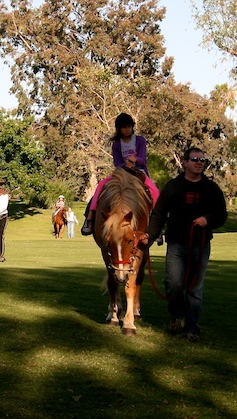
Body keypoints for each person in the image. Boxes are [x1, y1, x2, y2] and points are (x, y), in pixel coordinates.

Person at [138, 147, 227, 342]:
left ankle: (192, 328)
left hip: (200, 245)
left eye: (203, 160)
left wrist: (208, 219)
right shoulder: (173, 187)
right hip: (177, 244)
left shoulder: (211, 189)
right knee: (174, 283)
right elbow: (159, 214)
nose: (199, 162)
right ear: (185, 162)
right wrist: (149, 236)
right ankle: (176, 314)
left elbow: (222, 215)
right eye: (195, 159)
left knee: (195, 288)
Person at [81, 113, 160, 235]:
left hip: (138, 172)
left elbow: (143, 159)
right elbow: (117, 162)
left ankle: (157, 225)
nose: (127, 129)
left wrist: (135, 160)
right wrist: (125, 165)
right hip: (121, 172)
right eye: (124, 127)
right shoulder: (117, 144)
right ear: (119, 129)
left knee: (155, 191)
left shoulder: (140, 140)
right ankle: (90, 218)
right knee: (101, 185)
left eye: (129, 126)